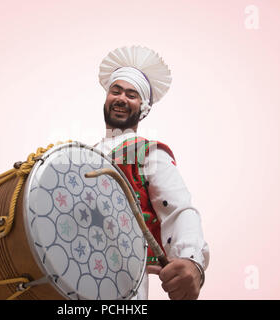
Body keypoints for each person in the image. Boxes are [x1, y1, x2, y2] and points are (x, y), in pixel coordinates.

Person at [93, 46, 210, 300]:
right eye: (116, 90)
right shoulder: (82, 157)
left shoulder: (148, 153)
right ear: (106, 98)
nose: (122, 98)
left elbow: (179, 211)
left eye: (132, 94)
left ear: (143, 108)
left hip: (122, 290)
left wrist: (192, 262)